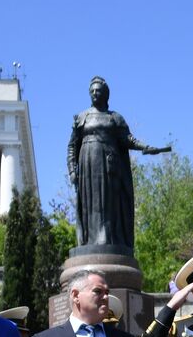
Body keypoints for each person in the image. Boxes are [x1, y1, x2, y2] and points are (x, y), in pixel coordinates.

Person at [66, 76, 170, 250]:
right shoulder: (81, 117)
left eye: (98, 90)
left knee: (108, 203)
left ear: (106, 94)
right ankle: (90, 242)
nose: (94, 94)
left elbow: (127, 139)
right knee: (89, 204)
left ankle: (107, 241)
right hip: (87, 166)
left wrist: (146, 147)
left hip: (108, 166)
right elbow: (71, 147)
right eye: (91, 91)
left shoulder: (114, 118)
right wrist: (72, 171)